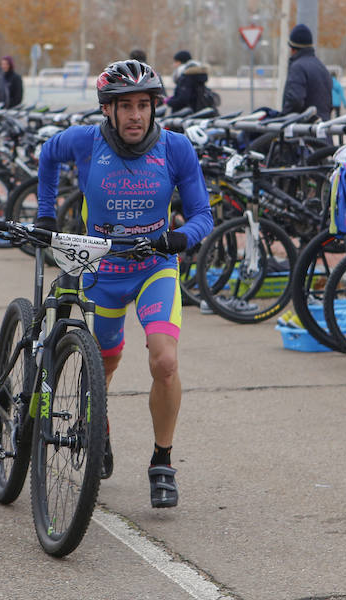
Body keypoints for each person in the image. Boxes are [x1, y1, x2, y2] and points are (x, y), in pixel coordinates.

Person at [35, 60, 213, 509]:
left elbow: (202, 216)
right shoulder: (83, 142)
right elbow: (46, 156)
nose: (135, 115)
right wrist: (44, 214)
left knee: (165, 361)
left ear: (155, 108)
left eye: (143, 105)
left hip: (155, 267)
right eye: (124, 106)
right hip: (102, 270)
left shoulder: (175, 149)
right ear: (107, 111)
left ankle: (162, 462)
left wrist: (178, 237)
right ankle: (100, 430)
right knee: (105, 362)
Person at [281, 24, 332, 120]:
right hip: (322, 128)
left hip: (304, 130)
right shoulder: (321, 66)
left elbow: (295, 100)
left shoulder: (297, 67)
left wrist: (283, 117)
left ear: (292, 49)